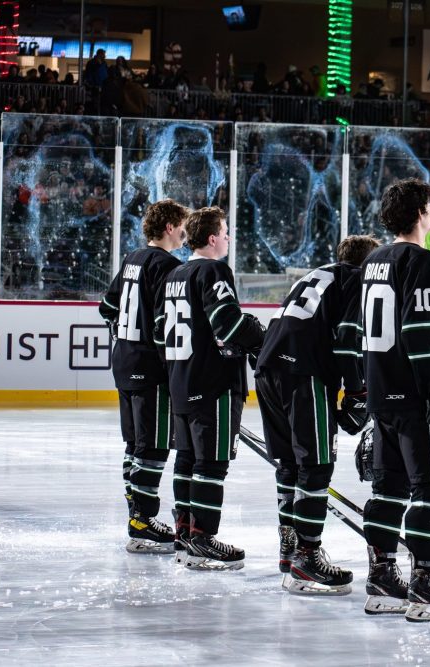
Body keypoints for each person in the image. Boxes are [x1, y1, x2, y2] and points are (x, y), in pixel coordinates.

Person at [359, 178, 430, 621]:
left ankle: (382, 576)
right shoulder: (425, 262)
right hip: (415, 395)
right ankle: (424, 581)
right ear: (420, 212)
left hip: (382, 392)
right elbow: (421, 332)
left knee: (390, 487)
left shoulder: (374, 261)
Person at [254, 235, 379, 595]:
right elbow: (347, 339)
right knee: (317, 464)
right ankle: (307, 556)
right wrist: (357, 391)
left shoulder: (314, 275)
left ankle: (291, 547)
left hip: (268, 368)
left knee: (290, 463)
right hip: (303, 371)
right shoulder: (357, 279)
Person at [157, 206, 265, 569]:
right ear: (213, 237)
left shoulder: (176, 273)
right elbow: (229, 325)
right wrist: (263, 337)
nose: (229, 237)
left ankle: (185, 533)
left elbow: (161, 330)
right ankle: (203, 537)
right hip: (213, 383)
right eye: (226, 231)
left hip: (180, 380)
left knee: (187, 459)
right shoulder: (213, 269)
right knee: (212, 464)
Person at [99, 199, 190, 555]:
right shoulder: (168, 265)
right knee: (152, 445)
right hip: (151, 368)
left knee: (135, 444)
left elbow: (107, 308)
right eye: (182, 225)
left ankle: (137, 515)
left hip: (123, 361)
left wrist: (126, 335)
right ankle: (143, 521)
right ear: (169, 227)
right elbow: (162, 325)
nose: (185, 232)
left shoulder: (132, 259)